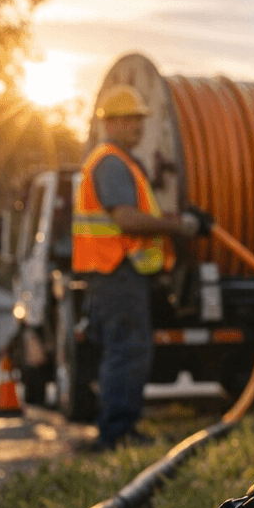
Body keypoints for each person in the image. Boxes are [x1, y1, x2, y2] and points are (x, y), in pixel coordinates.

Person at [72, 84, 204, 450]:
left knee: (127, 349)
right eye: (130, 119)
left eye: (140, 120)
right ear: (110, 123)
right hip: (116, 272)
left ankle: (120, 429)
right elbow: (128, 220)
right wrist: (177, 226)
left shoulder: (119, 162)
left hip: (115, 272)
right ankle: (117, 433)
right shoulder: (111, 163)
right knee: (127, 350)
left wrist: (175, 219)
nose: (138, 126)